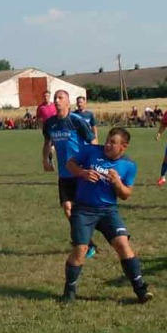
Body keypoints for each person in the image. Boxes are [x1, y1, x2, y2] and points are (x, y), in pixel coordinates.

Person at [62, 127, 152, 304]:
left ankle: (140, 289)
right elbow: (69, 164)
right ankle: (69, 290)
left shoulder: (128, 166)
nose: (107, 145)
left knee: (122, 244)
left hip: (108, 211)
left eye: (113, 142)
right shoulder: (90, 151)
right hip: (84, 210)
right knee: (81, 249)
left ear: (123, 147)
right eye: (108, 140)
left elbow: (126, 194)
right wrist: (83, 173)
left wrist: (117, 182)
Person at [43, 90, 100, 257]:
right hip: (64, 174)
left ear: (68, 103)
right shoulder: (50, 123)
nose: (57, 101)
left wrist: (95, 163)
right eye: (55, 98)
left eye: (60, 98)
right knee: (67, 208)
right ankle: (87, 242)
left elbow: (93, 141)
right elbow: (47, 143)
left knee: (84, 211)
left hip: (81, 172)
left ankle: (94, 237)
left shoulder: (77, 121)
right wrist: (46, 160)